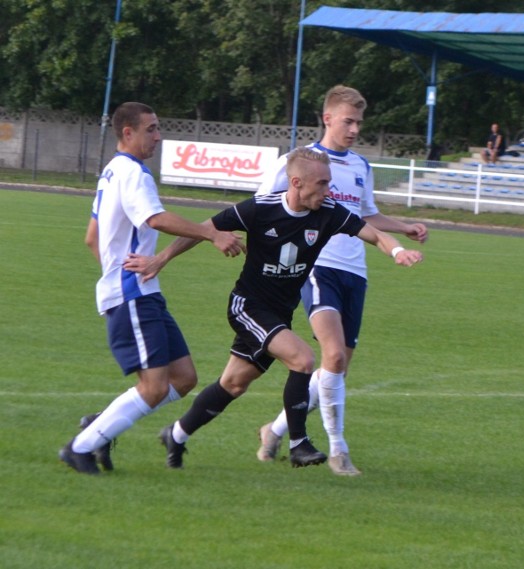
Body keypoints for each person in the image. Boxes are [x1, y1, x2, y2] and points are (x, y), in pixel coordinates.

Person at [124, 146, 424, 472]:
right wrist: (161, 259)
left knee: (234, 384)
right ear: (296, 182)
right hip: (248, 307)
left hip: (279, 313)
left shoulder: (329, 211)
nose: (329, 191)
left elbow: (375, 235)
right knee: (304, 358)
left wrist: (397, 252)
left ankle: (177, 434)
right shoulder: (260, 209)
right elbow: (204, 230)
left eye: (329, 183)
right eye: (322, 184)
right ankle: (299, 444)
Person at [58, 102, 246, 475]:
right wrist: (211, 233)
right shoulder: (133, 174)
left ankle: (105, 421)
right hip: (132, 294)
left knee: (184, 378)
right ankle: (79, 447)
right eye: (151, 129)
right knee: (156, 385)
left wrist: (114, 272)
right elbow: (155, 218)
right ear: (128, 132)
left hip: (143, 291)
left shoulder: (112, 171)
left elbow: (91, 237)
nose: (158, 136)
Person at [254, 85, 429, 475]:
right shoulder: (298, 163)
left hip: (355, 272)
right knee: (331, 356)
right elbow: (263, 207)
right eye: (348, 121)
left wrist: (404, 229)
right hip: (317, 267)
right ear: (327, 117)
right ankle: (338, 450)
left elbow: (366, 215)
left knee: (337, 369)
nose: (354, 129)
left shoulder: (360, 167)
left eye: (359, 123)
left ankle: (274, 429)